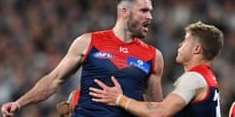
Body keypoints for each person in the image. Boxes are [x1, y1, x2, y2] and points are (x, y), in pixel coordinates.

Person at [1, 0, 164, 117]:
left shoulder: (153, 56)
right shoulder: (88, 42)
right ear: (124, 12)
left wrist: (122, 100)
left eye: (150, 11)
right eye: (143, 10)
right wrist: (19, 103)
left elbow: (157, 111)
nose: (150, 16)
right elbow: (54, 80)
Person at [89, 21, 224, 117]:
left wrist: (119, 99)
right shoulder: (207, 78)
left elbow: (160, 112)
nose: (180, 44)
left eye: (185, 41)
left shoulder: (194, 78)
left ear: (197, 49)